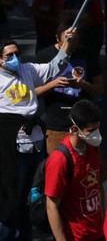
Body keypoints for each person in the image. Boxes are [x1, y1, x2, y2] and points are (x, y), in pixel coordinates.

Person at [0, 39, 70, 240]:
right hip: (13, 148)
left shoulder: (27, 69)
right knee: (13, 198)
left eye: (17, 53)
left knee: (33, 196)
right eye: (8, 56)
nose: (15, 58)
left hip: (36, 145)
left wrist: (66, 45)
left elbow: (53, 67)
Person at [36, 19, 104, 154]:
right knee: (58, 168)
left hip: (85, 126)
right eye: (67, 41)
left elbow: (99, 90)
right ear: (57, 38)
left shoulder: (88, 55)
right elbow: (33, 94)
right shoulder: (43, 56)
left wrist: (82, 84)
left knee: (88, 168)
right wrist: (52, 85)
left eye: (75, 41)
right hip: (56, 126)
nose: (71, 46)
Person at [44, 99, 106, 241]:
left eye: (97, 129)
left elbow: (98, 178)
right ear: (74, 130)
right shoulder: (60, 159)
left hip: (97, 233)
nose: (96, 135)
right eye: (91, 131)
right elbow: (52, 206)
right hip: (76, 237)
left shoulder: (93, 147)